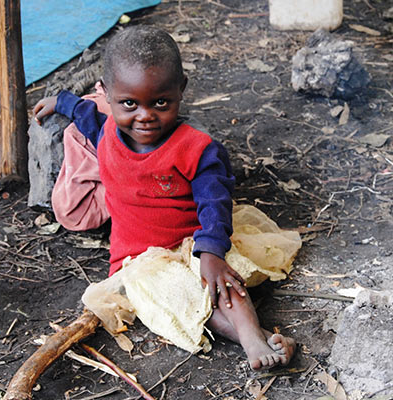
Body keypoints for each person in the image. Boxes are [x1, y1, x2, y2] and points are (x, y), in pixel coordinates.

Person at [33, 25, 295, 370]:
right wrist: (61, 102)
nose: (145, 115)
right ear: (107, 93)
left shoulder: (195, 150)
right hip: (139, 259)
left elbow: (214, 204)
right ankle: (260, 338)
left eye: (160, 102)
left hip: (192, 241)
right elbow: (87, 115)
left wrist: (212, 252)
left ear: (180, 90)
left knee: (220, 283)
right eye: (129, 103)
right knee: (181, 302)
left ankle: (252, 339)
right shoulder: (107, 131)